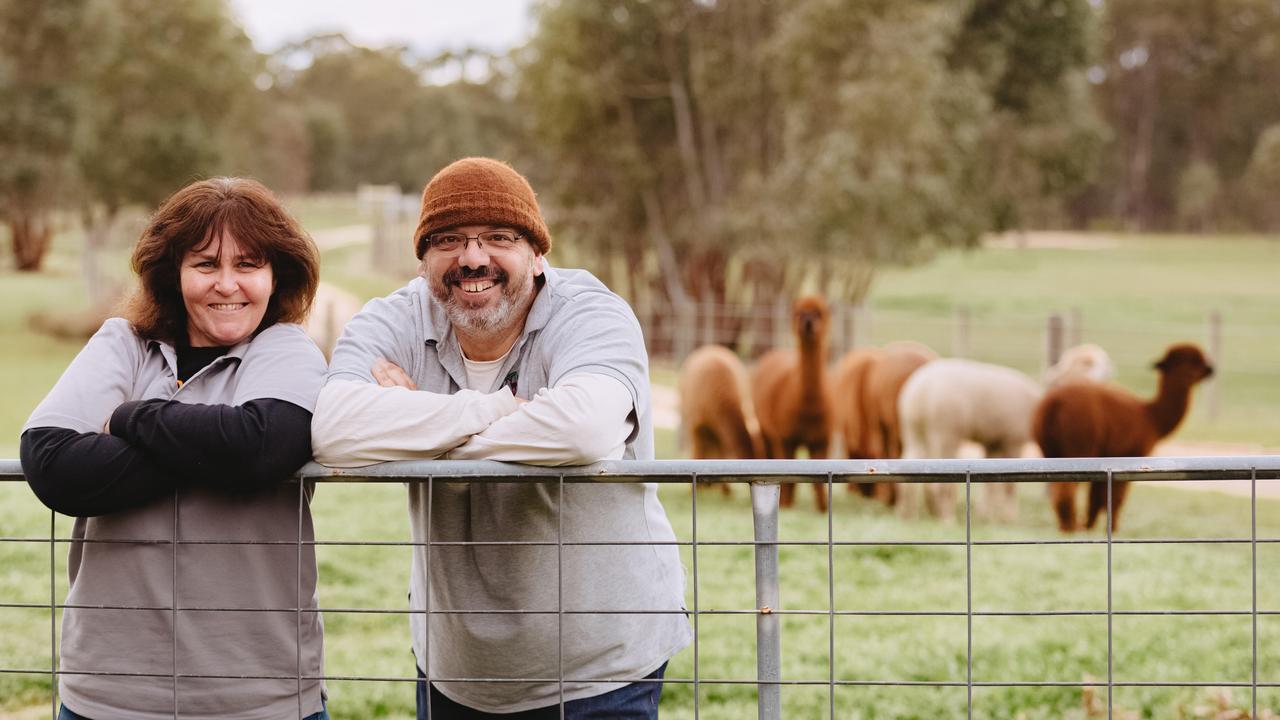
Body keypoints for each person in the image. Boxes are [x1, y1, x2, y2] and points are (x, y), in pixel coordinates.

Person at [311, 157, 690, 719]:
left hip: (601, 672)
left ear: (537, 256)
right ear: (422, 261)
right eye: (449, 240)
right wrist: (486, 411)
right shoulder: (394, 320)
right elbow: (333, 430)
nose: (473, 258)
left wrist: (414, 427)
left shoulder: (591, 314)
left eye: (498, 237)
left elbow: (584, 429)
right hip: (455, 673)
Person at [21, 178, 329, 720]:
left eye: (249, 264)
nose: (227, 284)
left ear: (276, 275)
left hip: (263, 697)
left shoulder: (286, 349)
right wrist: (216, 448)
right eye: (205, 264)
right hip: (107, 695)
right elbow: (53, 465)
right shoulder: (122, 344)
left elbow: (260, 449)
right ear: (173, 274)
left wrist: (128, 418)